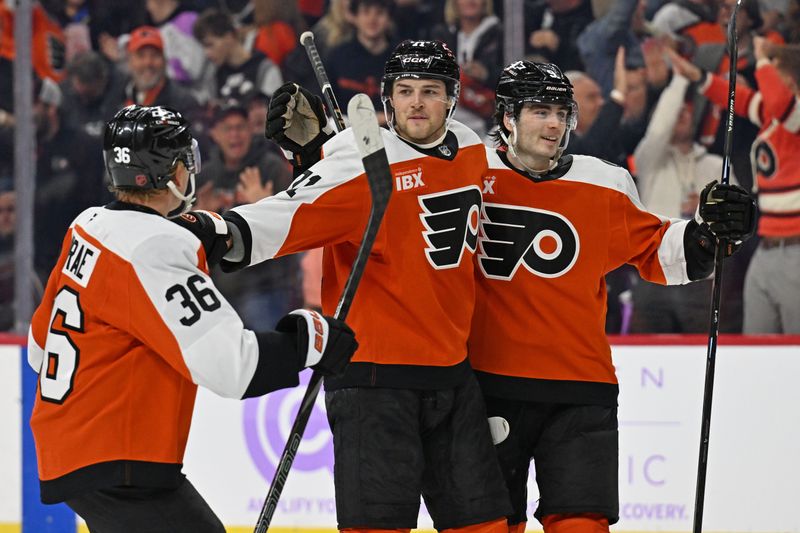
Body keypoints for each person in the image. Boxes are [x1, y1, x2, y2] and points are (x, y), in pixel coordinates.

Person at [188, 40, 512, 532]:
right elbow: (288, 214)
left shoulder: (470, 146)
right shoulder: (358, 161)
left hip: (452, 373)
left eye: (431, 90)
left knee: (485, 525)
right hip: (374, 381)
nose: (417, 103)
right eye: (405, 91)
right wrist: (219, 228)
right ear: (387, 98)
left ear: (452, 98)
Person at [27, 104, 358, 531]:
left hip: (73, 453)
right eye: (185, 159)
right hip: (120, 465)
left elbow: (39, 348)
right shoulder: (153, 246)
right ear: (174, 172)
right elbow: (235, 368)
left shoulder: (87, 225)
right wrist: (310, 339)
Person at [467, 60, 756, 533]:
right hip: (488, 385)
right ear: (507, 118)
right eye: (540, 111)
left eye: (562, 112)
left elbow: (659, 253)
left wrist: (711, 234)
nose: (555, 123)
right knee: (488, 524)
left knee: (583, 524)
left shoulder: (603, 180)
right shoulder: (468, 172)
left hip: (582, 386)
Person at [670, 40, 800, 333]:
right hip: (767, 249)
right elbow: (740, 98)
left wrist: (765, 58)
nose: (764, 80)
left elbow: (780, 103)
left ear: (789, 80)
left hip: (796, 249)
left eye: (772, 75)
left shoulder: (793, 115)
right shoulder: (772, 117)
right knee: (756, 345)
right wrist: (697, 76)